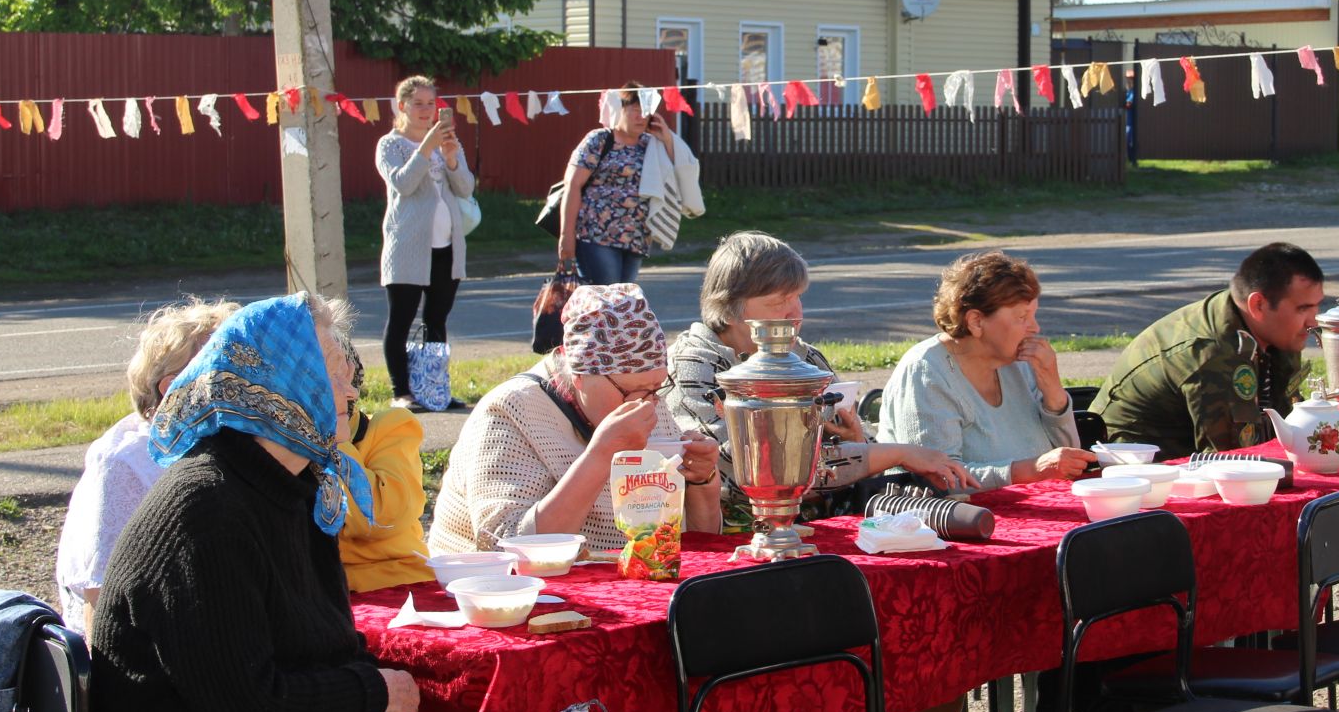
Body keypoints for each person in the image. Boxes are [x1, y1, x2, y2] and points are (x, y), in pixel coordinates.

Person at [89, 293, 505, 712]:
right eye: (335, 373)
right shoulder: (206, 509)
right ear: (285, 384)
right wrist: (376, 694)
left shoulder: (294, 489)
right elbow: (249, 704)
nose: (352, 392)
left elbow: (339, 651)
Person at [663, 230, 980, 532]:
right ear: (730, 308)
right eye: (778, 303)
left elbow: (859, 456)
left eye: (798, 298)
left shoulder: (803, 356)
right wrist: (894, 454)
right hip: (732, 539)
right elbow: (737, 472)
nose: (794, 314)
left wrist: (855, 439)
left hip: (820, 526)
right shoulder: (693, 364)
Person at [429, 284, 721, 555]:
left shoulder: (647, 403)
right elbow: (505, 549)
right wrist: (601, 455)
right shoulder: (510, 412)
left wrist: (701, 482)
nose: (646, 405)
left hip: (614, 588)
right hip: (498, 597)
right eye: (631, 391)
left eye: (656, 389)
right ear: (580, 376)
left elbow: (692, 547)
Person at [54, 296, 239, 633]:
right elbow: (101, 598)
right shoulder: (124, 461)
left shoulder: (225, 444)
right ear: (174, 388)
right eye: (228, 374)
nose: (247, 385)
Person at [879, 250, 1092, 488]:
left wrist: (1053, 389)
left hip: (1035, 507)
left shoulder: (1019, 363)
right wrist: (1030, 471)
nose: (1034, 327)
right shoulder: (926, 371)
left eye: (1034, 315)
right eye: (1022, 317)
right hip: (956, 520)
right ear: (976, 321)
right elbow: (940, 480)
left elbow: (1069, 463)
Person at [1090, 243, 1324, 457]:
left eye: (1316, 306)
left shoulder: (1274, 330)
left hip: (1183, 464)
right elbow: (1233, 462)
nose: (1314, 321)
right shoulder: (1212, 352)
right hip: (1131, 469)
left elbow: (1286, 418)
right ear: (1258, 305)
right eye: (1303, 309)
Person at [377, 74, 473, 411]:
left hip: (447, 247)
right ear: (401, 105)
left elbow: (465, 188)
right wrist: (426, 147)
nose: (425, 110)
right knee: (401, 319)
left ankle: (435, 391)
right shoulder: (390, 145)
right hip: (407, 247)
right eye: (417, 103)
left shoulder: (444, 143)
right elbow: (402, 184)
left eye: (431, 103)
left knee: (437, 320)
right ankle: (401, 391)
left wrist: (450, 157)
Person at [335, 341, 434, 592]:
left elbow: (380, 517)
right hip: (324, 593)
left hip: (398, 586)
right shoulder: (281, 444)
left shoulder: (392, 426)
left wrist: (333, 436)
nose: (347, 392)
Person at [558, 81, 676, 285]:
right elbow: (573, 186)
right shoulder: (599, 140)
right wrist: (566, 235)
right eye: (635, 111)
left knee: (622, 303)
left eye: (646, 112)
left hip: (636, 239)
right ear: (620, 110)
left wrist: (666, 139)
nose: (641, 117)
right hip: (596, 236)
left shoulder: (650, 145)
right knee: (606, 300)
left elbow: (677, 175)